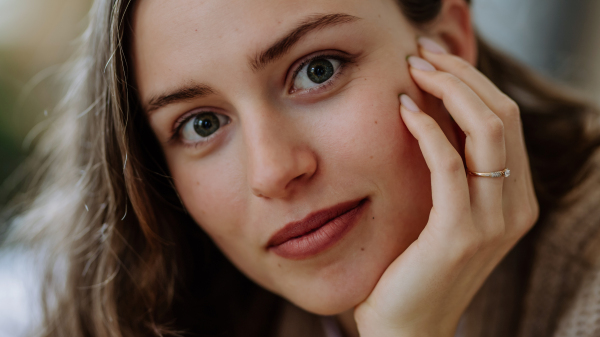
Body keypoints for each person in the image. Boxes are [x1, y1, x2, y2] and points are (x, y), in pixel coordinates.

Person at [2, 0, 600, 336]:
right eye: (201, 125)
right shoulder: (168, 307)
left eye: (318, 69)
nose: (272, 171)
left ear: (447, 43)